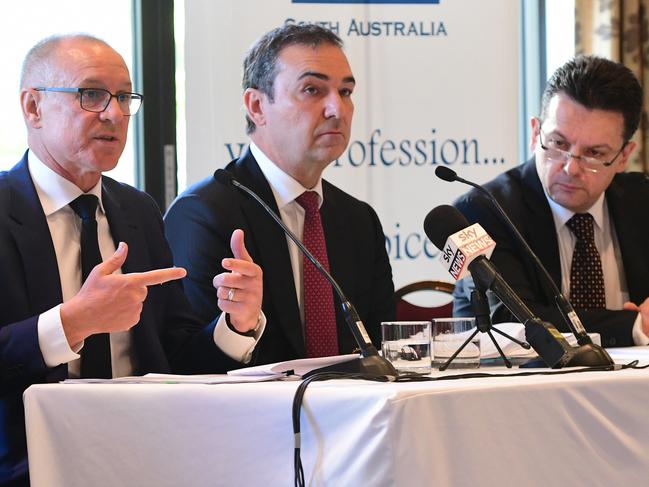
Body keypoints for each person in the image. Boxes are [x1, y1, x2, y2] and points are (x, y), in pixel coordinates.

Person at [0, 34, 263, 487]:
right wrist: (71, 323)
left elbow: (174, 356)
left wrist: (234, 325)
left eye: (124, 97)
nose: (115, 114)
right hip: (28, 465)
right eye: (92, 95)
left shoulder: (137, 210)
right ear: (33, 107)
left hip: (145, 456)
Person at [165, 24, 395, 365]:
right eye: (313, 90)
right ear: (256, 105)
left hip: (355, 414)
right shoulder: (204, 214)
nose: (337, 109)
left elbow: (379, 347)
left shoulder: (358, 219)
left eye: (345, 92)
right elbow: (183, 365)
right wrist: (237, 328)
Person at [453, 55, 649, 348]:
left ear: (623, 156)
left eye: (594, 153)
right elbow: (510, 320)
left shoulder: (642, 201)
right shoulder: (481, 210)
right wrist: (635, 325)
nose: (571, 167)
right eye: (559, 144)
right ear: (535, 133)